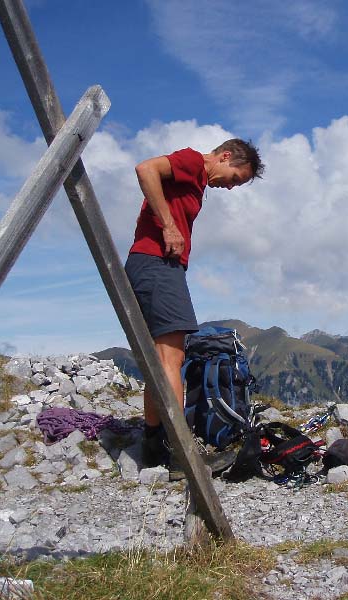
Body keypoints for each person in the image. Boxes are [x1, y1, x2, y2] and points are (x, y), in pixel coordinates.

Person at [125, 139, 264, 469]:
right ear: (225, 156)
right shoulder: (192, 162)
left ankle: (155, 446)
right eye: (234, 179)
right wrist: (169, 226)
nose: (230, 187)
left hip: (158, 265)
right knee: (171, 359)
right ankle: (180, 453)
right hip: (157, 264)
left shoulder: (197, 179)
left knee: (162, 359)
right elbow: (145, 169)